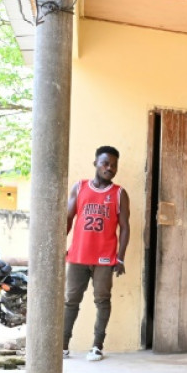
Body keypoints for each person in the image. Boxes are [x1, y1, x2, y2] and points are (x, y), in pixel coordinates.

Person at [63, 145, 131, 361]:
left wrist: (120, 257)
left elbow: (125, 227)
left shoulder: (119, 193)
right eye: (105, 163)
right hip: (78, 256)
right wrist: (59, 246)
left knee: (102, 300)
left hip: (104, 258)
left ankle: (96, 346)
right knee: (71, 301)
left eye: (113, 165)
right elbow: (67, 218)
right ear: (95, 163)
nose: (109, 168)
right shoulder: (80, 187)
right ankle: (63, 346)